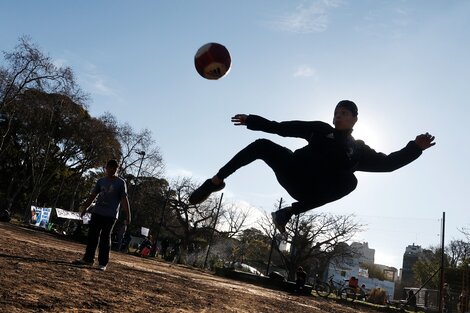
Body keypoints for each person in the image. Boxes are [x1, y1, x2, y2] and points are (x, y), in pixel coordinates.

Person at [189, 100, 436, 233]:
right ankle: (215, 181)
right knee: (263, 144)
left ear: (354, 119)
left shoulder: (358, 151)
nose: (338, 116)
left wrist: (415, 148)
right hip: (292, 170)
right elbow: (283, 128)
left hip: (309, 190)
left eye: (344, 113)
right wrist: (252, 120)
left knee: (351, 182)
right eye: (336, 112)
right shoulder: (320, 129)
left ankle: (287, 212)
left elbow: (388, 164)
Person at [73, 159, 131, 271]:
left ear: (116, 169)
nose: (111, 171)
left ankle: (102, 263)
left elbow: (124, 199)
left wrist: (128, 215)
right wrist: (85, 207)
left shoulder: (120, 183)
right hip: (97, 212)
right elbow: (93, 195)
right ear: (106, 168)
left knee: (105, 237)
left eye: (114, 169)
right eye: (109, 168)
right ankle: (88, 259)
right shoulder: (101, 181)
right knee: (92, 236)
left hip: (110, 215)